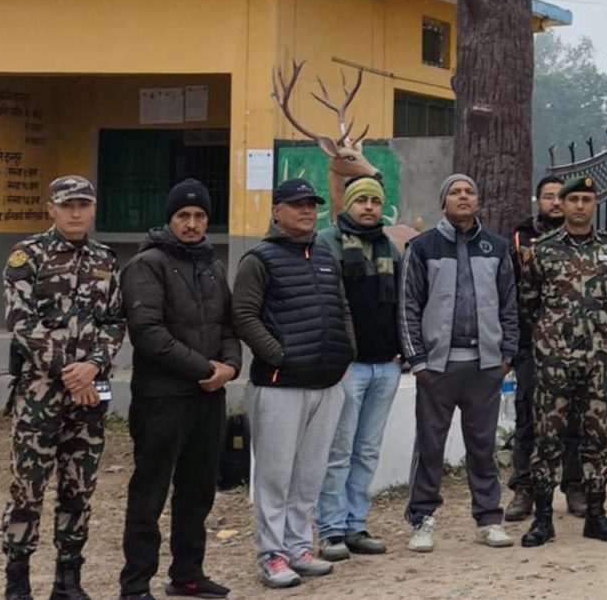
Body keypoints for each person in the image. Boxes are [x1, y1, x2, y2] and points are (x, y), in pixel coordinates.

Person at [2, 175, 124, 600]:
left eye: (83, 205)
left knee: (79, 487)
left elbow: (114, 321)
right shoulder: (27, 255)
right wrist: (70, 370)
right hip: (40, 393)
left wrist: (93, 366)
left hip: (89, 393)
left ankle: (68, 580)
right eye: (67, 205)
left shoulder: (105, 259)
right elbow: (21, 323)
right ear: (51, 209)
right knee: (28, 487)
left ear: (93, 208)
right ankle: (17, 579)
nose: (75, 213)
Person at [118, 179, 238, 600]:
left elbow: (228, 325)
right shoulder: (146, 265)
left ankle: (188, 575)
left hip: (208, 397)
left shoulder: (212, 265)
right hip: (162, 398)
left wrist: (230, 366)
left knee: (198, 491)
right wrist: (205, 368)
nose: (192, 223)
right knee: (149, 494)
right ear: (169, 219)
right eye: (183, 216)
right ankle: (135, 585)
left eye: (200, 216)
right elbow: (147, 332)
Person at [232, 177, 356, 588]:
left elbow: (342, 309)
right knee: (275, 476)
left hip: (326, 384)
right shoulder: (259, 259)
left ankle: (299, 547)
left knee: (309, 474)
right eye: (297, 204)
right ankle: (271, 554)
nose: (307, 211)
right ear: (277, 212)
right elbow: (244, 316)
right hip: (278, 386)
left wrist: (346, 352)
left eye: (311, 205)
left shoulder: (325, 256)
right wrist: (280, 355)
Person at [400, 174, 520, 552]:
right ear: (444, 202)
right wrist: (418, 362)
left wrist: (506, 355)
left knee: (483, 447)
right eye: (455, 192)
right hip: (437, 368)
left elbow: (509, 305)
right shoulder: (423, 247)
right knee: (430, 446)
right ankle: (422, 520)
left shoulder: (497, 247)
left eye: (469, 192)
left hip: (485, 367)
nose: (463, 197)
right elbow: (408, 306)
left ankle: (488, 519)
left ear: (478, 201)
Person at [517, 175, 607, 547]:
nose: (580, 206)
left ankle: (596, 515)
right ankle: (543, 520)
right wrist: (554, 339)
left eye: (586, 199)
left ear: (594, 204)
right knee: (547, 440)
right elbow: (529, 303)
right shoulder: (542, 250)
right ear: (563, 205)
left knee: (597, 439)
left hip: (597, 363)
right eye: (573, 200)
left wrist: (597, 336)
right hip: (554, 363)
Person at [314, 175, 404, 561]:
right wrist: (335, 356)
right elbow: (324, 303)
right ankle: (331, 529)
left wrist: (402, 352)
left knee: (367, 452)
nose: (369, 207)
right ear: (348, 203)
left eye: (375, 200)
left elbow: (401, 302)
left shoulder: (389, 247)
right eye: (361, 200)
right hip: (348, 367)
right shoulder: (326, 243)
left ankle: (356, 524)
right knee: (339, 451)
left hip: (385, 366)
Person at [507, 174, 583, 523]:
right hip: (532, 345)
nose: (555, 202)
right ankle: (524, 487)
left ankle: (574, 485)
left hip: (576, 346)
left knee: (574, 419)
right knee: (528, 418)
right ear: (538, 201)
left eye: (559, 196)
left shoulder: (582, 240)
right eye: (548, 196)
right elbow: (514, 292)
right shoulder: (521, 238)